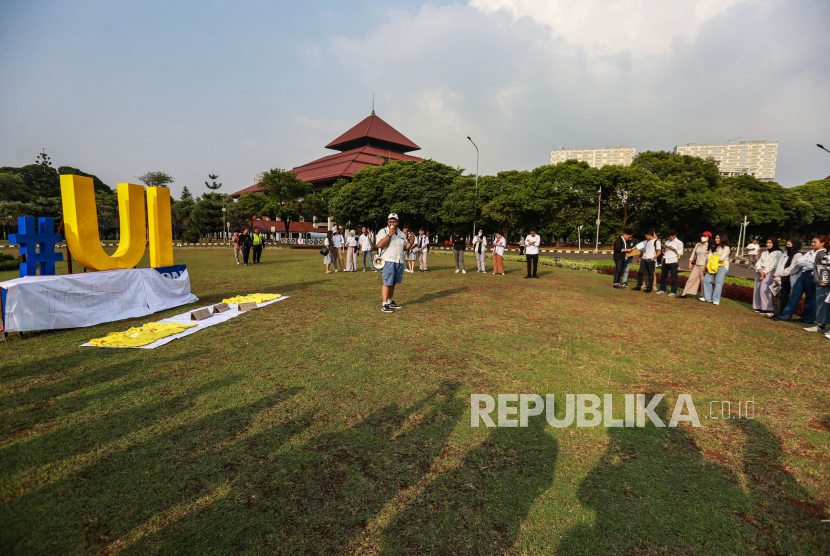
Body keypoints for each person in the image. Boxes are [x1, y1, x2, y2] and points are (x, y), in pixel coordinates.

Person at [774, 236, 822, 323]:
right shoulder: (810, 252)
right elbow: (799, 262)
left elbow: (816, 266)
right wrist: (809, 264)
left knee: (810, 298)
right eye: (812, 242)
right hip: (803, 275)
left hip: (813, 276)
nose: (812, 244)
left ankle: (807, 319)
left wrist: (807, 264)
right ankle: (784, 316)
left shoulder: (823, 253)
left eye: (815, 242)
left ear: (822, 243)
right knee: (794, 296)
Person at [375, 213, 414, 313]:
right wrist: (389, 235)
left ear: (397, 222)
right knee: (387, 283)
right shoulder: (383, 231)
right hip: (388, 260)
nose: (392, 223)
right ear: (387, 222)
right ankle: (384, 304)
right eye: (390, 221)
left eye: (394, 221)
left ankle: (390, 301)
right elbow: (380, 245)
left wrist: (411, 243)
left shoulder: (400, 233)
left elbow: (404, 248)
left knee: (393, 283)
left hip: (399, 261)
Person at [769, 238, 803, 318]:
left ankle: (779, 313)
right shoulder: (785, 254)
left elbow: (793, 268)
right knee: (780, 295)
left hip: (789, 278)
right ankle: (777, 313)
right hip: (781, 278)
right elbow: (779, 265)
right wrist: (777, 276)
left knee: (784, 296)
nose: (787, 246)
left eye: (789, 244)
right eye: (786, 244)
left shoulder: (798, 255)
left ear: (795, 245)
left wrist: (779, 274)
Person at [752, 238, 782, 316]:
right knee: (757, 289)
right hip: (760, 271)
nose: (767, 244)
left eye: (770, 243)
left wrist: (764, 273)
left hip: (770, 272)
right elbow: (759, 262)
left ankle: (767, 308)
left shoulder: (778, 253)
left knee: (764, 289)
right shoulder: (764, 252)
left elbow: (774, 265)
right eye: (767, 242)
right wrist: (759, 270)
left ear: (774, 243)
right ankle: (758, 306)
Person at [807, 236, 830, 335]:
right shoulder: (821, 253)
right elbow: (815, 267)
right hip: (821, 283)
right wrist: (817, 280)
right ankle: (820, 326)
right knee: (821, 304)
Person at [701, 233, 731, 305]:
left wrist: (713, 258)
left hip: (722, 266)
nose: (716, 239)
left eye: (718, 238)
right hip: (712, 266)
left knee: (718, 283)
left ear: (722, 239)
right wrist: (714, 259)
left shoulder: (726, 248)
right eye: (715, 238)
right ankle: (708, 298)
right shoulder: (714, 247)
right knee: (706, 280)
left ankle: (716, 299)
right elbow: (709, 256)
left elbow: (722, 258)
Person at [679, 231, 712, 299]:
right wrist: (690, 263)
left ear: (709, 238)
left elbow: (710, 258)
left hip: (704, 265)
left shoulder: (710, 246)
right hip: (697, 265)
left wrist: (706, 267)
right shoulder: (698, 244)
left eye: (705, 236)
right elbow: (693, 253)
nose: (703, 237)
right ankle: (684, 293)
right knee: (691, 279)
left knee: (703, 281)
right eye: (702, 236)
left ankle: (703, 296)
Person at [657, 230, 683, 297]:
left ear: (675, 235)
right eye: (668, 238)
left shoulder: (679, 243)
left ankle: (673, 291)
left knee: (674, 277)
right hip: (666, 260)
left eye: (670, 238)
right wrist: (664, 248)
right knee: (663, 276)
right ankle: (662, 290)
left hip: (673, 261)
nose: (669, 239)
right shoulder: (667, 241)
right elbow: (664, 252)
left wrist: (672, 248)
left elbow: (680, 252)